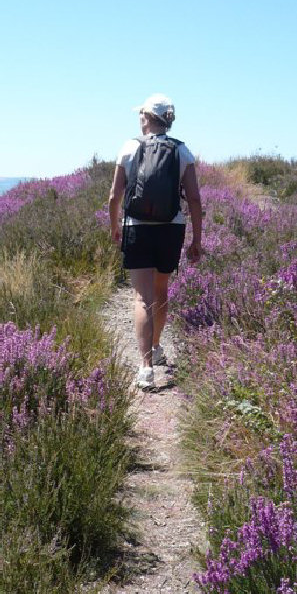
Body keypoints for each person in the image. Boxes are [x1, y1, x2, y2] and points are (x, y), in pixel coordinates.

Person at [109, 94, 202, 389]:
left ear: (148, 118)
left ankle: (145, 367)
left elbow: (114, 195)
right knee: (160, 291)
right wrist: (196, 240)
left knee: (141, 298)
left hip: (137, 227)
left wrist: (114, 227)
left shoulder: (129, 147)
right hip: (170, 229)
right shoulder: (182, 151)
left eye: (141, 115)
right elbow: (195, 199)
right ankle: (157, 347)